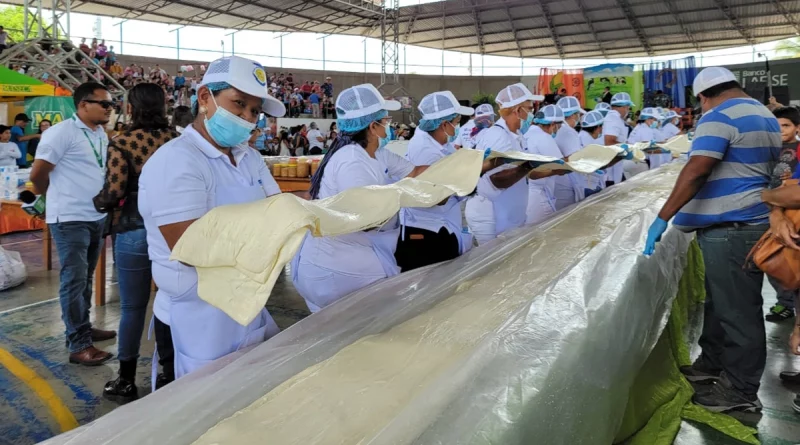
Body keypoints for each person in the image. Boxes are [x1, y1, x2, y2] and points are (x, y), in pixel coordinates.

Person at [138, 55, 286, 380]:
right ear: (205, 98)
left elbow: (280, 212)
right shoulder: (177, 161)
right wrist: (270, 236)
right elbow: (191, 247)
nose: (248, 118)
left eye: (254, 111)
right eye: (238, 104)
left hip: (244, 304)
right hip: (195, 317)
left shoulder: (249, 158)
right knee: (198, 415)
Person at [644, 67, 782, 413]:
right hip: (750, 222)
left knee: (737, 310)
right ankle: (712, 364)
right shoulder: (763, 113)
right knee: (721, 302)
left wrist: (663, 217)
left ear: (704, 96)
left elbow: (698, 168)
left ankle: (740, 390)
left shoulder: (718, 116)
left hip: (732, 226)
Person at [292, 84, 429, 313]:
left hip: (353, 260)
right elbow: (365, 220)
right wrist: (401, 194)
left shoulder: (376, 153)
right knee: (346, 333)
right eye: (384, 120)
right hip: (337, 270)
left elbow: (414, 172)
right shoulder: (352, 160)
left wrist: (463, 166)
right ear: (372, 126)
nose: (388, 125)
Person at [93, 83, 179, 402]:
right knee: (170, 298)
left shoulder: (122, 142)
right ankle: (169, 371)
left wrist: (97, 201)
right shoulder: (176, 140)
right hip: (173, 226)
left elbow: (114, 190)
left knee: (132, 307)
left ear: (130, 108)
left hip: (133, 228)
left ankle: (126, 380)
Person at [30, 82, 117, 366]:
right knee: (74, 280)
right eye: (104, 104)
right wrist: (50, 199)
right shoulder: (60, 133)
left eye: (111, 104)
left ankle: (84, 326)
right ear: (83, 105)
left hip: (95, 216)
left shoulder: (100, 133)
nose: (109, 109)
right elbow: (39, 173)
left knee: (86, 277)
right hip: (69, 218)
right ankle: (79, 344)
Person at [466, 83, 561, 243]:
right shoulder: (499, 136)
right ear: (517, 110)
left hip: (506, 212)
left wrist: (555, 170)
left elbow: (521, 172)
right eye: (530, 109)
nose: (532, 114)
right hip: (493, 214)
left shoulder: (516, 135)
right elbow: (496, 179)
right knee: (492, 262)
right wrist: (528, 166)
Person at [395, 91, 475, 272]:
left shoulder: (441, 144)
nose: (457, 127)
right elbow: (437, 197)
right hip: (426, 233)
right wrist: (471, 175)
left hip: (440, 227)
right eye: (456, 122)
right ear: (444, 124)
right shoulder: (426, 151)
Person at [763, 106, 800, 323]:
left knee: (794, 260)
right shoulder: (768, 150)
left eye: (786, 125)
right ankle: (784, 303)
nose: (781, 130)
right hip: (771, 209)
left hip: (794, 210)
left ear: (797, 127)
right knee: (774, 259)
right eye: (776, 127)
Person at [523, 105, 567, 225]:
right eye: (558, 127)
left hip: (525, 194)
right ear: (552, 124)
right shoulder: (544, 137)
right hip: (539, 195)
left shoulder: (526, 135)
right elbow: (560, 166)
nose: (557, 130)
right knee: (539, 234)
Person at [553, 96, 587, 210]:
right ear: (573, 115)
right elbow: (573, 158)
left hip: (557, 180)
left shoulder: (558, 129)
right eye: (578, 114)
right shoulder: (568, 132)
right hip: (566, 181)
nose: (578, 118)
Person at [602, 92, 635, 186]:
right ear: (624, 107)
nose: (628, 110)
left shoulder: (617, 119)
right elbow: (608, 142)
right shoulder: (613, 118)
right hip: (610, 171)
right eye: (628, 108)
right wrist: (628, 148)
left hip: (616, 164)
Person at [628, 107, 667, 174]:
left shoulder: (640, 127)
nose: (656, 122)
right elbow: (648, 147)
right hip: (638, 162)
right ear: (649, 119)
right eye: (655, 119)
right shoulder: (645, 129)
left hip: (632, 161)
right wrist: (666, 149)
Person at [579, 110, 607, 197]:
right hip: (590, 185)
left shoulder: (582, 136)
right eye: (602, 127)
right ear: (598, 127)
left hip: (587, 183)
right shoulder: (588, 142)